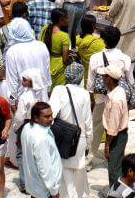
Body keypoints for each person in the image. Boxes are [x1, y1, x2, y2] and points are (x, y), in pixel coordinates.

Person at [87, 26, 133, 165]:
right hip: (119, 98)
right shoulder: (125, 58)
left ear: (103, 40)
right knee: (118, 128)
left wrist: (92, 99)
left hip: (101, 99)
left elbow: (90, 83)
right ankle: (115, 158)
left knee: (96, 129)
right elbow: (130, 81)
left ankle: (89, 159)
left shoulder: (95, 58)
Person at [50, 63, 93, 198]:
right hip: (79, 139)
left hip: (63, 139)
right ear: (80, 78)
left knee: (65, 174)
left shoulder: (58, 90)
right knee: (80, 172)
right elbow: (88, 122)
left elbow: (51, 115)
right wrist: (89, 142)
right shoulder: (85, 94)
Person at [13, 69, 50, 194]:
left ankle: (24, 183)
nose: (22, 81)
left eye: (25, 79)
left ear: (32, 81)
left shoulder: (25, 96)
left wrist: (15, 128)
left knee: (21, 154)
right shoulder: (43, 95)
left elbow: (19, 117)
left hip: (26, 125)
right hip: (40, 125)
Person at [5, 17, 51, 108]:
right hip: (42, 98)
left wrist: (12, 102)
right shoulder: (41, 46)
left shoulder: (12, 51)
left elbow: (12, 81)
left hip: (23, 101)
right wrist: (48, 92)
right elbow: (47, 73)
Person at [21, 101, 62, 198]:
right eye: (46, 117)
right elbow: (44, 168)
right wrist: (54, 191)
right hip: (44, 190)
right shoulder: (40, 138)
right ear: (36, 118)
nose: (51, 119)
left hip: (35, 187)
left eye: (51, 115)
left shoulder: (27, 128)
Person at [98, 63, 129, 186]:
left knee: (113, 169)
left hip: (116, 136)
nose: (102, 78)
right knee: (117, 165)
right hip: (118, 135)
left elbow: (113, 126)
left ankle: (116, 192)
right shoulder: (117, 91)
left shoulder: (116, 99)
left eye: (104, 76)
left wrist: (107, 144)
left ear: (109, 79)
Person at [40, 7, 70, 88]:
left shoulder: (45, 28)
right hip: (58, 68)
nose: (68, 19)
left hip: (45, 64)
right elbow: (65, 59)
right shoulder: (64, 36)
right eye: (66, 18)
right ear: (60, 20)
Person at [76, 14, 104, 86]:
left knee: (87, 86)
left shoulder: (77, 39)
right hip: (96, 72)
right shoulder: (98, 42)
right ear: (93, 26)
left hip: (85, 70)